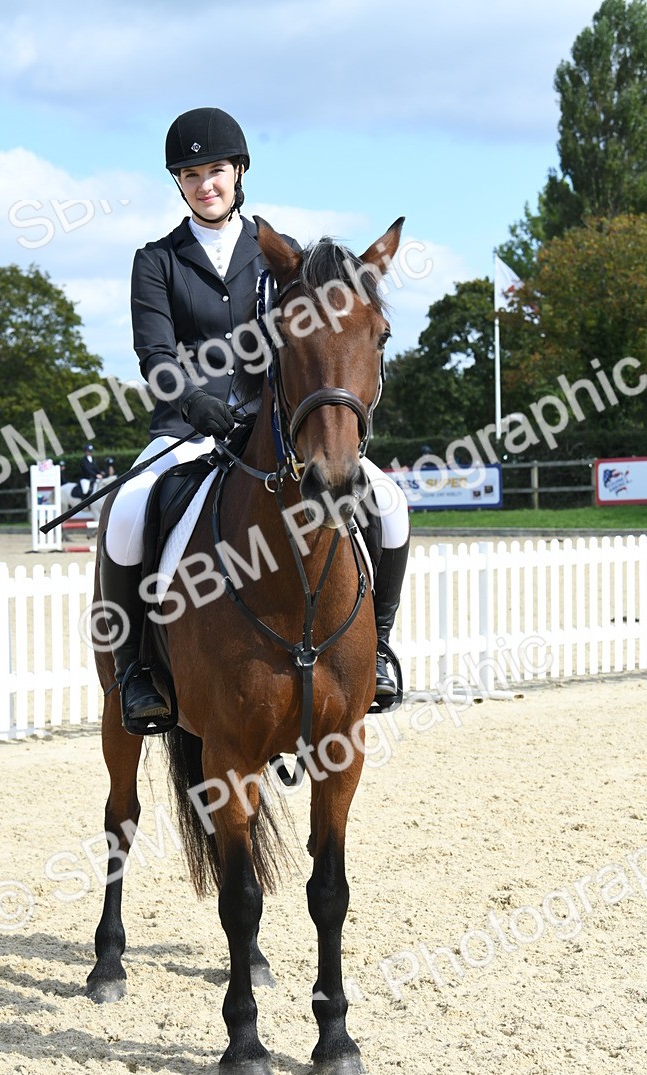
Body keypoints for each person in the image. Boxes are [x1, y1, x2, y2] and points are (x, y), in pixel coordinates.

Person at [100, 106, 409, 733]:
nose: (205, 183)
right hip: (183, 431)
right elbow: (155, 355)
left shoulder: (281, 258)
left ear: (238, 172)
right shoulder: (156, 261)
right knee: (130, 510)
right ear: (179, 183)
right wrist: (194, 404)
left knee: (392, 503)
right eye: (191, 174)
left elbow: (314, 342)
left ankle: (375, 646)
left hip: (271, 428)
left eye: (215, 170)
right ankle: (134, 670)